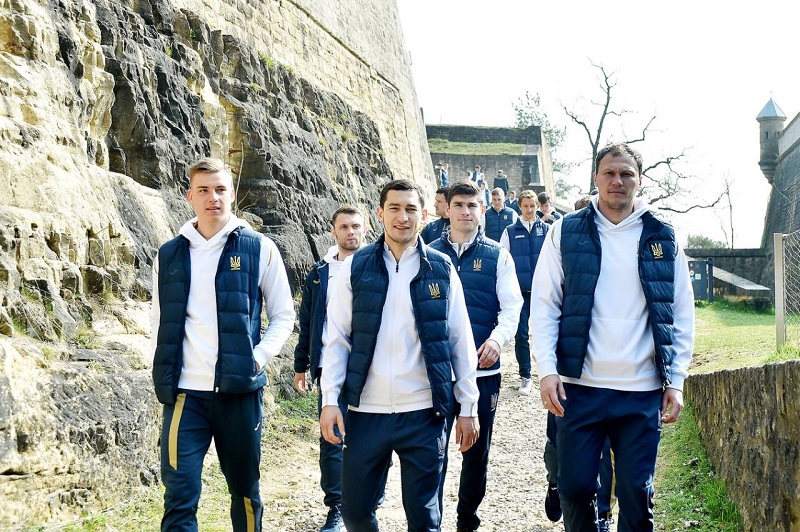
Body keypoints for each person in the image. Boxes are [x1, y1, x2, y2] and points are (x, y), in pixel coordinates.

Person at [531, 143, 695, 531]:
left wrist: (676, 381)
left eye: (626, 174)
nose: (617, 181)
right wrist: (547, 370)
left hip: (641, 389)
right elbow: (545, 304)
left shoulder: (663, 236)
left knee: (637, 492)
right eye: (609, 173)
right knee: (574, 488)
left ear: (640, 180)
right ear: (596, 178)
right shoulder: (565, 231)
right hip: (579, 387)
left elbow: (681, 312)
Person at [319, 179, 481, 532]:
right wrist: (330, 399)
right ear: (380, 213)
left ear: (424, 214)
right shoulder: (356, 267)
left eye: (410, 209)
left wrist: (468, 405)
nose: (402, 217)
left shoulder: (441, 268)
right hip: (366, 412)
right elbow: (337, 338)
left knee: (424, 519)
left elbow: (460, 340)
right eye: (394, 208)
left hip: (423, 412)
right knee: (355, 513)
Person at [150, 157, 295, 531]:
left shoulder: (259, 247)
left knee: (244, 492)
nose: (212, 197)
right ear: (190, 196)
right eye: (203, 190)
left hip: (238, 394)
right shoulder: (168, 254)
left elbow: (283, 315)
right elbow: (159, 320)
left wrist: (257, 358)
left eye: (220, 189)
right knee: (179, 495)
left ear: (232, 193)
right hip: (185, 396)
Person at [429, 179, 523, 532]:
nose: (465, 212)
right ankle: (431, 522)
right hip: (437, 374)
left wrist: (498, 340)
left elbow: (512, 306)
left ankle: (467, 520)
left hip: (483, 373)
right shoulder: (429, 254)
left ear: (482, 210)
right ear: (447, 209)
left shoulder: (498, 255)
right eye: (459, 205)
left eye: (472, 206)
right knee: (431, 454)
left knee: (476, 453)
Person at [294, 206, 368, 532]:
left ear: (365, 229)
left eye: (356, 226)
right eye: (344, 226)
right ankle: (336, 506)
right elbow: (308, 320)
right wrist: (301, 364)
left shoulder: (376, 265)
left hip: (368, 366)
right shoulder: (319, 273)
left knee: (368, 437)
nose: (351, 232)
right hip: (329, 366)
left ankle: (366, 498)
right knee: (332, 437)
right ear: (333, 231)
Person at [499, 190, 548, 396]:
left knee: (546, 333)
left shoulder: (547, 230)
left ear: (538, 206)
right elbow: (503, 262)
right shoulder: (509, 231)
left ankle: (548, 373)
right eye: (526, 206)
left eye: (533, 206)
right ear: (519, 206)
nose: (529, 210)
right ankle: (526, 376)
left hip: (542, 292)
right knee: (521, 335)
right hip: (520, 292)